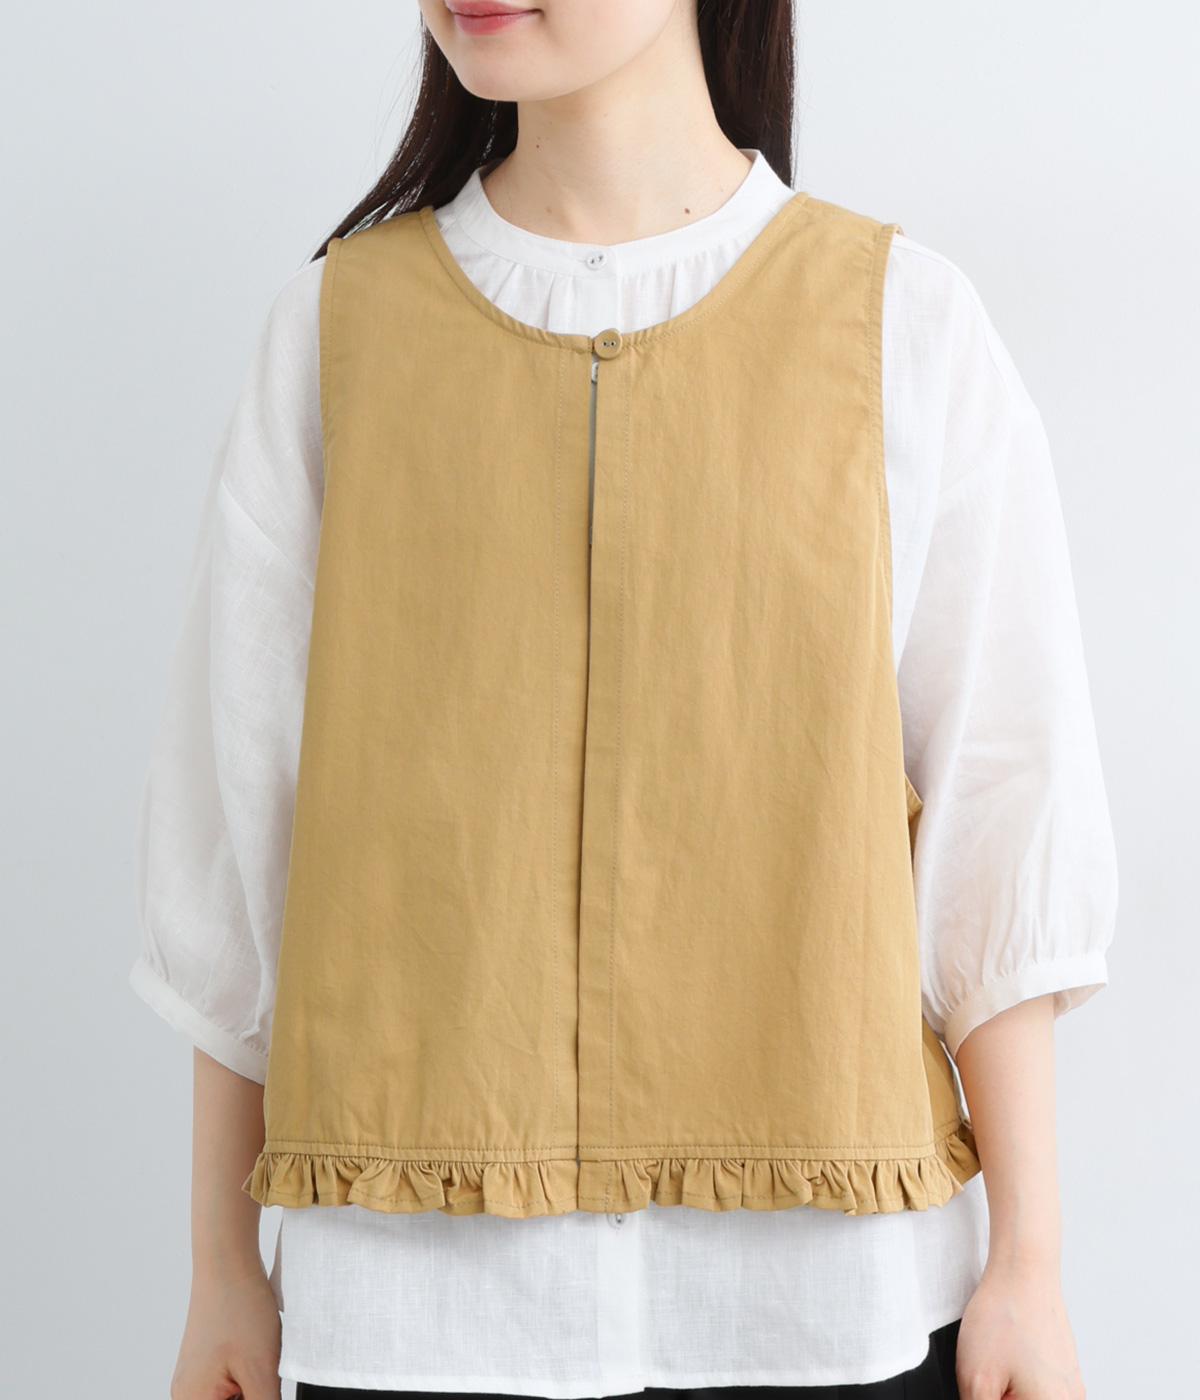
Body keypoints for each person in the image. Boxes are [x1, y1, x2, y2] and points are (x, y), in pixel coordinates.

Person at [129, 3, 1118, 1398]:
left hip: (823, 1300)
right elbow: (239, 832)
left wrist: (1032, 1266)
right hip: (419, 1305)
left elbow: (998, 814)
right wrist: (222, 1274)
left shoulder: (903, 324)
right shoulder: (337, 331)